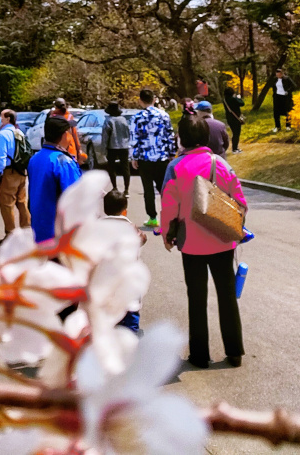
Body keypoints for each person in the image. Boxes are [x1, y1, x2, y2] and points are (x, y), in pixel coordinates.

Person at [160, 114, 247, 369]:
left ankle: (200, 355)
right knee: (227, 296)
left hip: (192, 244)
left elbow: (168, 206)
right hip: (222, 240)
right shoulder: (221, 163)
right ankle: (234, 352)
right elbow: (240, 201)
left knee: (196, 298)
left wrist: (167, 235)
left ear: (182, 138)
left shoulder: (175, 167)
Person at [27, 114, 82, 243]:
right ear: (64, 135)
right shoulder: (62, 161)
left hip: (39, 229)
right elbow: (75, 198)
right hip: (60, 234)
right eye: (69, 133)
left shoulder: (35, 158)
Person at [130, 88, 177, 230]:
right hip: (162, 157)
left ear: (140, 100)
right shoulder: (163, 115)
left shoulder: (137, 117)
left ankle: (152, 217)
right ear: (154, 99)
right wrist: (171, 154)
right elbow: (169, 135)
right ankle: (168, 216)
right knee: (164, 188)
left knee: (148, 189)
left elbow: (134, 138)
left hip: (144, 158)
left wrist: (134, 157)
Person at [102, 188, 145, 334]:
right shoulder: (131, 227)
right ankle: (131, 333)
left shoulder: (98, 227)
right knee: (131, 306)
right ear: (124, 210)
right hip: (128, 277)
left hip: (105, 277)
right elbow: (141, 240)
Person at [0, 109, 31, 235]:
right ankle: (26, 231)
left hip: (9, 173)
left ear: (8, 119)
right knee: (22, 202)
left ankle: (10, 234)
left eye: (2, 117)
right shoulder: (18, 132)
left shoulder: (2, 135)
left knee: (7, 204)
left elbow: (1, 159)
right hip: (21, 171)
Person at [101, 102, 133, 192]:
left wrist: (104, 149)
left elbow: (105, 136)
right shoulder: (123, 120)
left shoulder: (108, 120)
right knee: (125, 168)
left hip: (112, 147)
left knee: (112, 168)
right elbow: (128, 133)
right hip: (124, 146)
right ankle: (126, 189)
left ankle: (115, 187)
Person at [52, 97, 87, 166]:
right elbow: (75, 135)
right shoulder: (69, 117)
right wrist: (79, 150)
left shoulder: (52, 117)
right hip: (70, 150)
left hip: (56, 150)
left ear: (55, 107)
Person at [270, 68, 295, 133]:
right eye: (277, 74)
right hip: (277, 97)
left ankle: (288, 126)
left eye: (279, 74)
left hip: (285, 97)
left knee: (287, 111)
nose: (278, 75)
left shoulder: (287, 79)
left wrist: (288, 91)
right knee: (276, 112)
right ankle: (277, 126)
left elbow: (294, 86)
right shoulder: (275, 79)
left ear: (282, 73)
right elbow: (273, 87)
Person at [223, 86, 244, 153]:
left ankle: (234, 148)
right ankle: (235, 148)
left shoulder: (224, 100)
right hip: (236, 118)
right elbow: (242, 103)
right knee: (236, 133)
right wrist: (239, 98)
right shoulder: (233, 99)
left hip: (229, 117)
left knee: (234, 133)